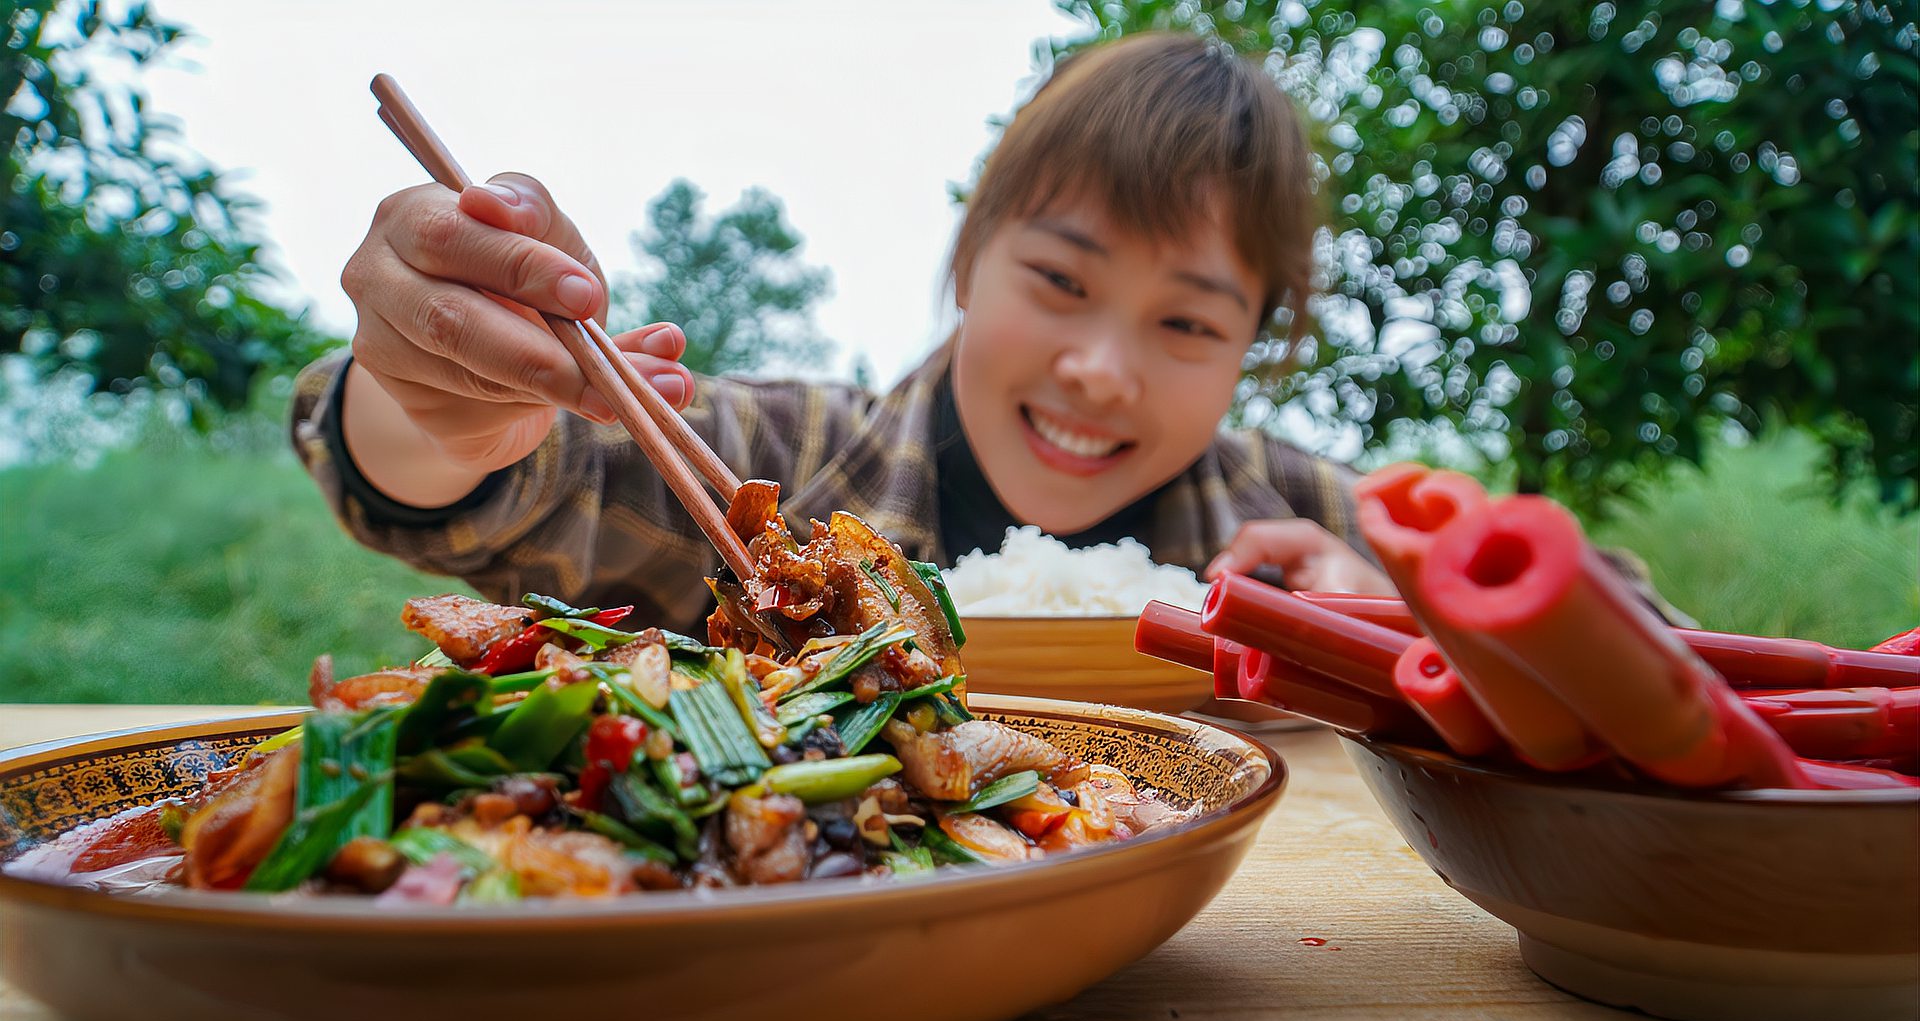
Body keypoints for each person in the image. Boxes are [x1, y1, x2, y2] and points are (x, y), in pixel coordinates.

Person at [290, 32, 1393, 636]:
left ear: (1258, 339)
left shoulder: (1316, 521)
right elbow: (508, 481)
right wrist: (444, 404)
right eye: (1060, 278)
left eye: (1190, 321)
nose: (1099, 372)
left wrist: (1384, 642)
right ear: (968, 260)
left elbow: (1555, 625)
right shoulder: (782, 461)